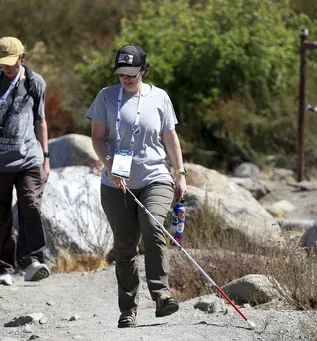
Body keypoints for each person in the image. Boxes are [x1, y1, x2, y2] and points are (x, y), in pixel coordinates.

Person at [85, 44, 187, 328]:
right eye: (121, 73)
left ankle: (161, 294)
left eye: (132, 72)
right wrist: (109, 166)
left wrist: (180, 172)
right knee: (126, 246)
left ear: (144, 69)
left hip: (155, 176)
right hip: (116, 183)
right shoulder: (106, 97)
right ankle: (128, 309)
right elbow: (98, 137)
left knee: (153, 225)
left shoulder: (160, 97)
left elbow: (171, 138)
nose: (126, 78)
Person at [0, 36, 51, 286]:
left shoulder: (36, 83)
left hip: (29, 158)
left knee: (31, 204)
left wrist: (46, 157)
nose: (8, 69)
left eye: (12, 64)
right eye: (4, 64)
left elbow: (40, 121)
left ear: (23, 58)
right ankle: (3, 269)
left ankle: (33, 261)